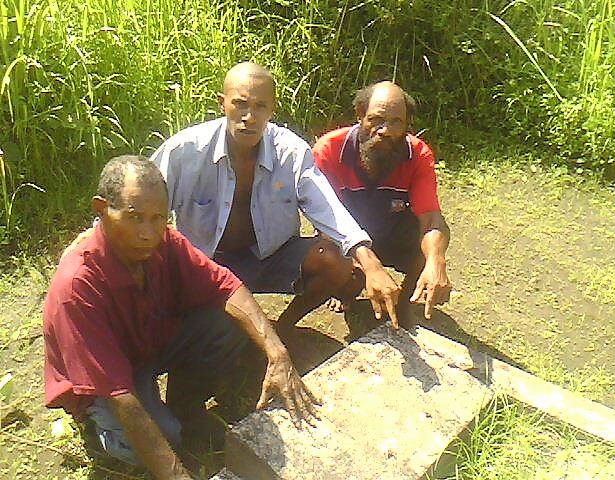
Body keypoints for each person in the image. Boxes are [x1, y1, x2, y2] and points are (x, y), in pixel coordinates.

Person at [44, 155, 318, 479]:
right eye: (135, 218)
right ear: (102, 210)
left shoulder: (165, 242)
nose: (148, 232)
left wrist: (278, 354)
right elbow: (119, 394)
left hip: (148, 343)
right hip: (105, 381)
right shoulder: (78, 286)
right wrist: (176, 474)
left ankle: (185, 407)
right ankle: (97, 430)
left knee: (227, 321)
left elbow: (226, 287)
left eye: (158, 218)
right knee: (160, 440)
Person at [151, 62, 402, 330]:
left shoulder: (290, 151)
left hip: (269, 256)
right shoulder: (185, 151)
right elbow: (142, 202)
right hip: (207, 262)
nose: (249, 116)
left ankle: (284, 328)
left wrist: (368, 259)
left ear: (272, 109)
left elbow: (326, 206)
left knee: (336, 262)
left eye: (260, 106)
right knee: (209, 330)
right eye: (240, 104)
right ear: (222, 104)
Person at [313, 81, 451, 322]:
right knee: (338, 270)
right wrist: (365, 263)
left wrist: (436, 260)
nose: (385, 130)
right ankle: (344, 291)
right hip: (345, 237)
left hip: (391, 230)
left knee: (428, 245)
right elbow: (325, 218)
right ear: (360, 115)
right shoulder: (329, 150)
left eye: (396, 122)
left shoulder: (417, 155)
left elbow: (430, 219)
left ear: (407, 125)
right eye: (377, 119)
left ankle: (406, 302)